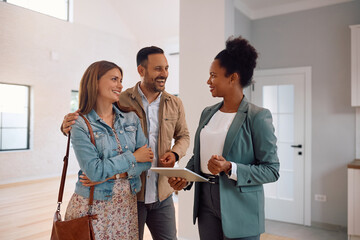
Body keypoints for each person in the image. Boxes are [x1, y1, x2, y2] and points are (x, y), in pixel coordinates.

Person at [62, 47, 190, 240]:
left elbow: (183, 136)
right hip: (133, 195)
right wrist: (65, 126)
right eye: (158, 68)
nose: (164, 74)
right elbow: (88, 120)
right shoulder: (121, 99)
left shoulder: (174, 103)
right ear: (141, 70)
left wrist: (175, 154)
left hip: (160, 191)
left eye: (166, 68)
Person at [168, 36, 280, 240]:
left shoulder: (258, 116)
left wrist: (230, 167)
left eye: (213, 75)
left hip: (241, 207)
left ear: (233, 78)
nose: (208, 81)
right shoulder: (207, 113)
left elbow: (272, 170)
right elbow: (198, 157)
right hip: (205, 204)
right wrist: (185, 179)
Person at [64, 60, 153, 239]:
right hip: (92, 207)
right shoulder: (79, 124)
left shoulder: (131, 118)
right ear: (95, 82)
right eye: (114, 79)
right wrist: (134, 157)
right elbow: (94, 172)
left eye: (121, 80)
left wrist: (112, 175)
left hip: (126, 206)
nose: (120, 85)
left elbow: (147, 161)